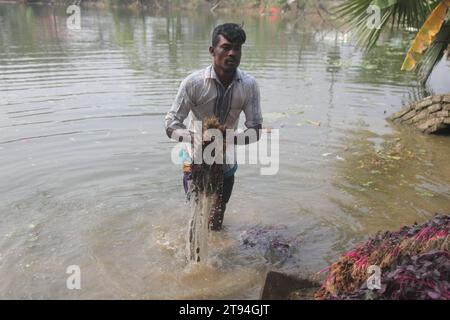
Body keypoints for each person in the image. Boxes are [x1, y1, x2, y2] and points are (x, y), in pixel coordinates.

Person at [164, 23, 263, 231]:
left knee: (216, 222)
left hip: (225, 164)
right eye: (226, 47)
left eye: (237, 48)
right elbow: (170, 125)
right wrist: (194, 136)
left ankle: (217, 254)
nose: (232, 53)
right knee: (196, 218)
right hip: (195, 161)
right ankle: (195, 260)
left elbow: (255, 131)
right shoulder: (194, 84)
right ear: (212, 51)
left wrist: (229, 138)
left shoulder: (248, 85)